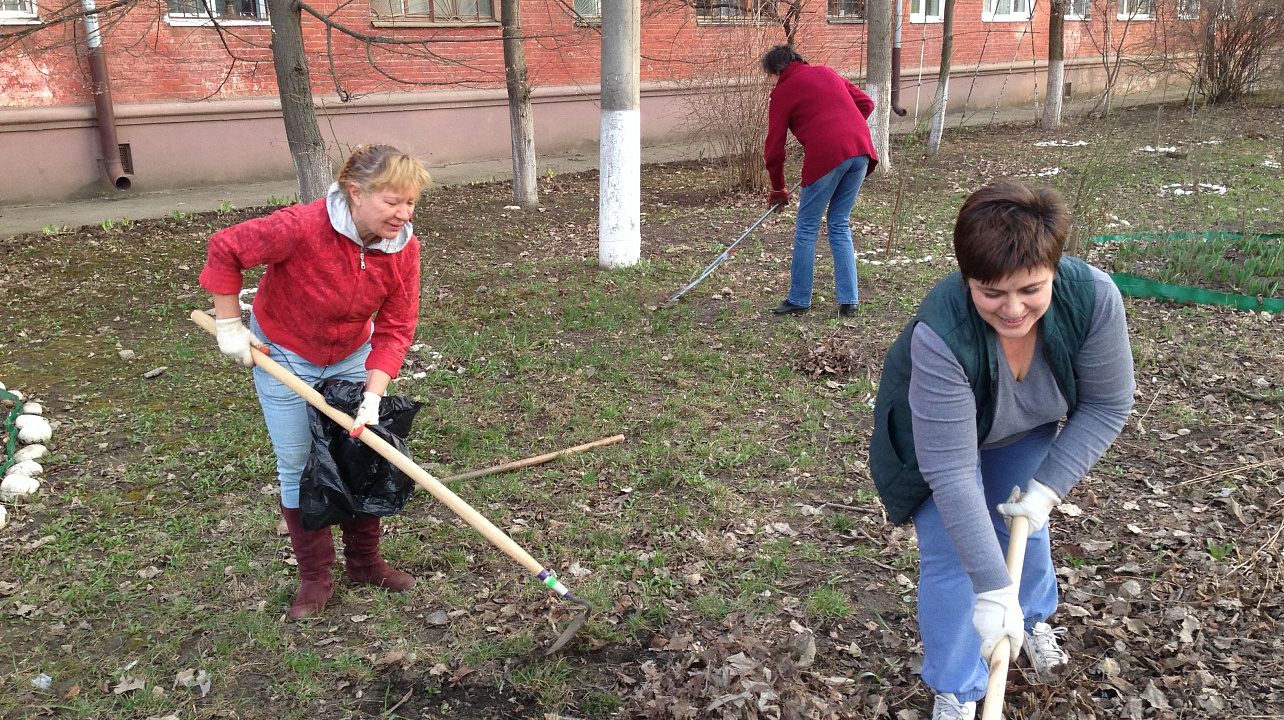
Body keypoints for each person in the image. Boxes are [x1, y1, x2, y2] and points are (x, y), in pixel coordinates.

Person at [868, 182, 1136, 719]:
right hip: (940, 445)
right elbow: (951, 469)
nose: (1013, 309)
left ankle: (1033, 619)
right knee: (954, 561)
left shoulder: (1094, 298)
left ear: (1054, 269)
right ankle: (958, 690)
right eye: (991, 293)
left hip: (1024, 429)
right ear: (967, 280)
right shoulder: (940, 334)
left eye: (1032, 289)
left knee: (1025, 531)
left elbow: (1108, 404)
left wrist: (1048, 487)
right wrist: (992, 589)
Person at [199, 145, 432, 620]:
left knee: (363, 450)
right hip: (284, 353)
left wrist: (372, 395)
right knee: (299, 462)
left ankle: (365, 563)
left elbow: (396, 327)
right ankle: (314, 577)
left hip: (350, 355)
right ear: (355, 193)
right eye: (392, 202)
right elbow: (226, 247)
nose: (403, 214)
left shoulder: (404, 249)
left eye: (410, 203)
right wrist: (229, 326)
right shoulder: (302, 226)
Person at [761, 44, 878, 318]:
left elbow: (774, 148)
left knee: (807, 227)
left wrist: (778, 188)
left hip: (828, 156)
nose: (770, 82)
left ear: (776, 71)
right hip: (860, 150)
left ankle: (799, 299)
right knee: (839, 223)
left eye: (769, 76)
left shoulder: (782, 92)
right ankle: (849, 301)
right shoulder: (826, 72)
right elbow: (866, 103)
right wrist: (844, 132)